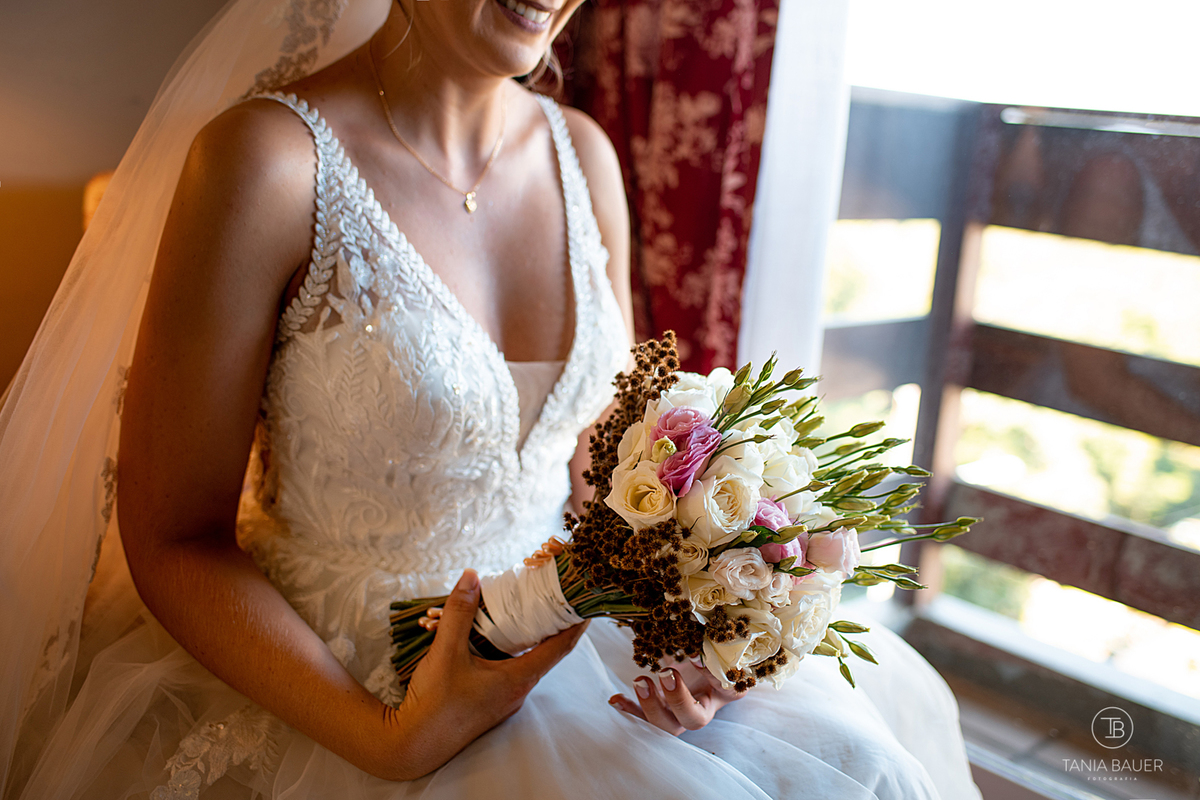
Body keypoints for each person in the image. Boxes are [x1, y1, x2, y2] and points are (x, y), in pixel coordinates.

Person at [0, 1, 982, 797]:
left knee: (866, 765)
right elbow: (173, 534)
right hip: (340, 670)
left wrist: (691, 629)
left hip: (568, 621)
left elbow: (621, 455)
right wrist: (391, 738)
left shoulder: (586, 152)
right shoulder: (264, 161)